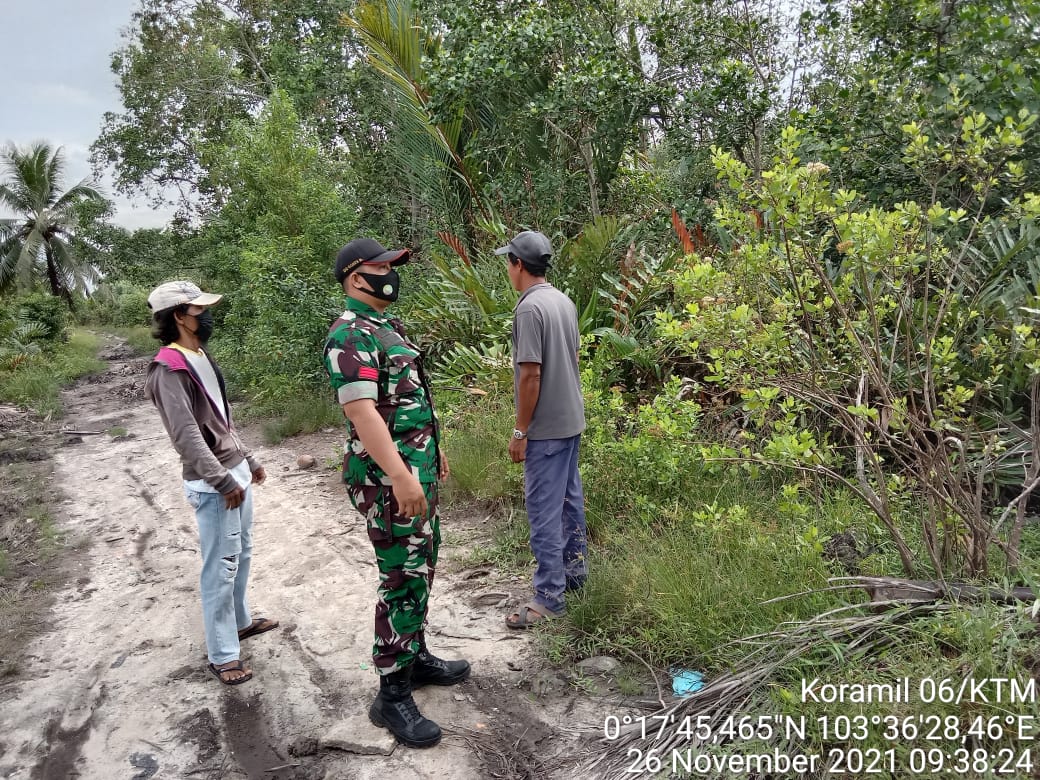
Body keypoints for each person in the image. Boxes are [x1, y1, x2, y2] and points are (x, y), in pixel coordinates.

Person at [323, 238, 469, 749]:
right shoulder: (348, 336)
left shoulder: (386, 329)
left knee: (421, 566)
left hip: (414, 468)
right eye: (382, 266)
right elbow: (362, 414)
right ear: (354, 276)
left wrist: (433, 452)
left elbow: (407, 402)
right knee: (401, 577)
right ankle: (391, 692)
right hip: (387, 480)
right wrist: (402, 476)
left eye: (393, 265)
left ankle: (416, 657)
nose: (391, 273)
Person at [144, 280, 278, 686]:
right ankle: (222, 654)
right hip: (214, 483)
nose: (207, 316)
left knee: (243, 553)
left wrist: (248, 459)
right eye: (199, 310)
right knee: (220, 566)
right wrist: (220, 479)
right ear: (178, 316)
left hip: (233, 473)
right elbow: (185, 434)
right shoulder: (168, 369)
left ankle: (239, 622)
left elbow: (221, 419)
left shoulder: (199, 357)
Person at [496, 231, 588, 629]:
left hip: (547, 429)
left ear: (518, 264)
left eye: (508, 262)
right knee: (570, 503)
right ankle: (574, 577)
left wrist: (521, 431)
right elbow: (574, 355)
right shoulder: (562, 301)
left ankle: (549, 596)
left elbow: (530, 373)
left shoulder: (529, 309)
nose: (507, 269)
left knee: (544, 511)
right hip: (571, 421)